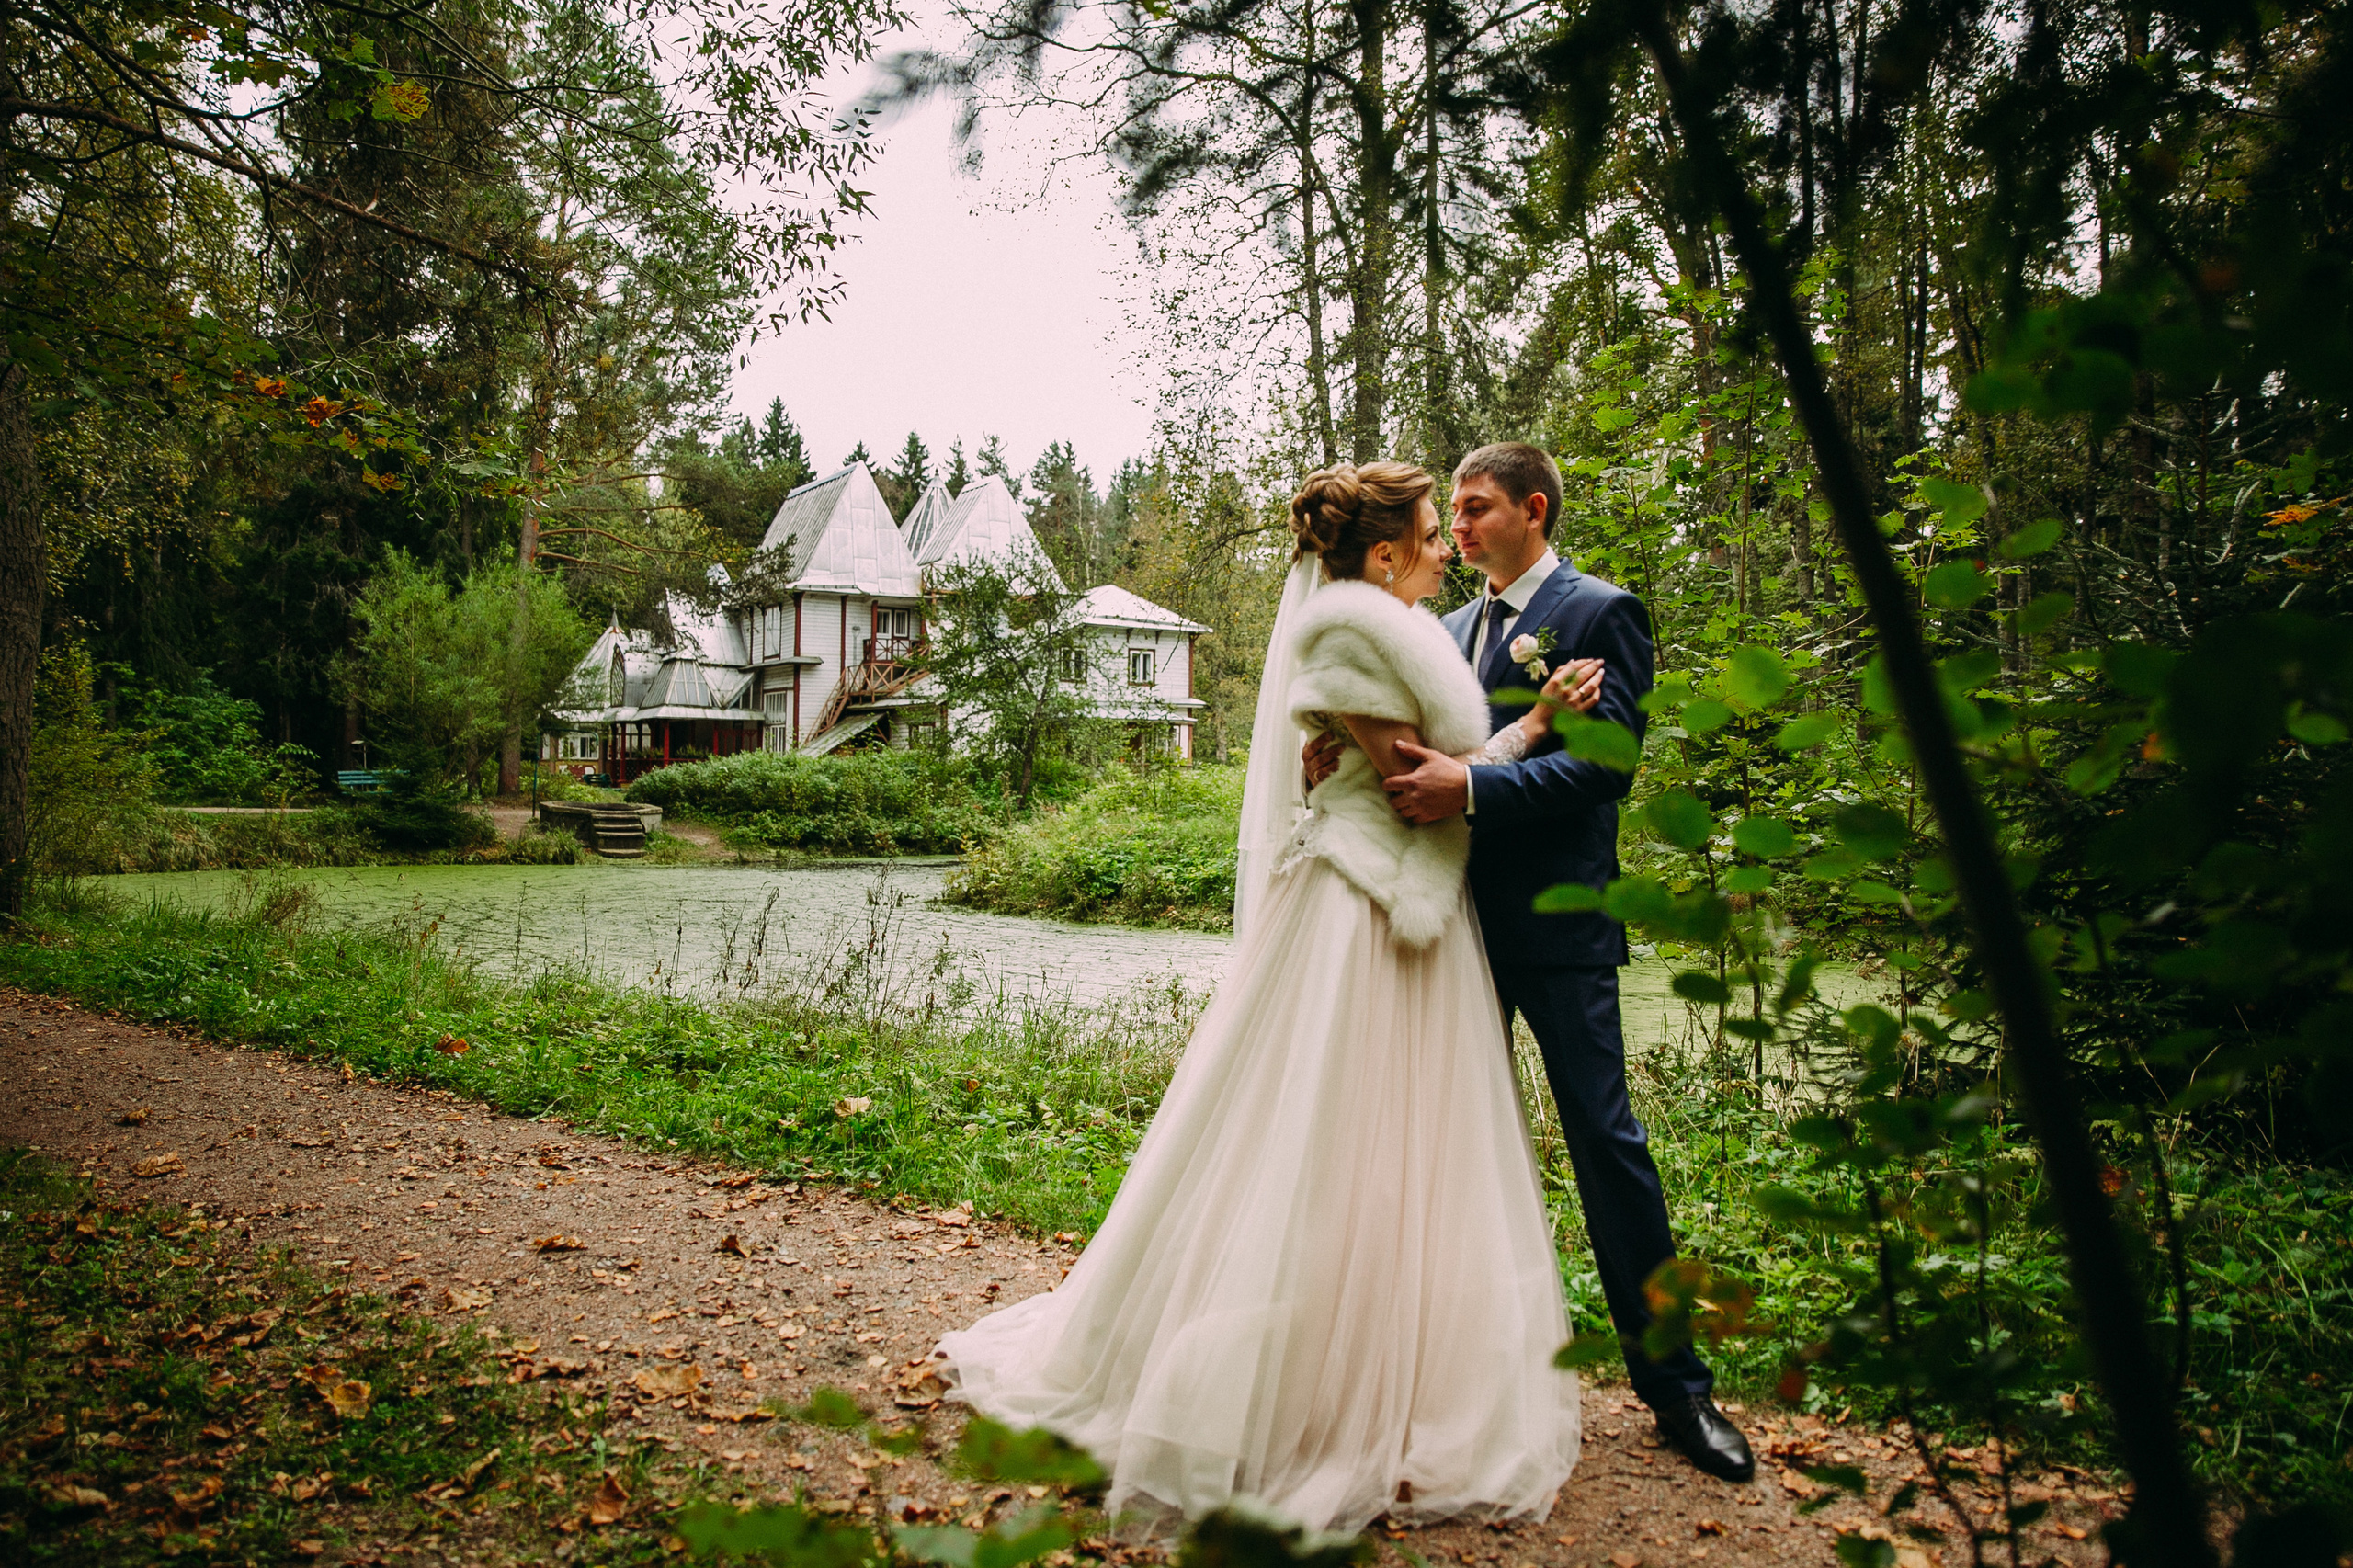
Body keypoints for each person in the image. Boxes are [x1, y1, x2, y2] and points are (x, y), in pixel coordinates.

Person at [933, 460, 1604, 1535]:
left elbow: (1403, 762)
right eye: (1432, 531)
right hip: (1362, 909)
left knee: (1401, 1148)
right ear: (1382, 552)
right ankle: (1305, 1385)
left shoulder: (1403, 631)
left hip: (1408, 906)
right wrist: (1538, 725)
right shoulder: (1349, 638)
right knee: (1323, 1135)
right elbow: (1420, 785)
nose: (1444, 546)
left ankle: (1396, 1353)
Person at [1361, 441, 1756, 1483]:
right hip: (1449, 924)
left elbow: (1602, 767)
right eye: (1452, 507)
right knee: (1437, 1141)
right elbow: (1417, 750)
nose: (1458, 523)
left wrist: (1476, 792)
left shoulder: (1597, 612)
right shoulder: (1439, 627)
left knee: (1605, 1142)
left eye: (1477, 505)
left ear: (1533, 509)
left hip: (1559, 927)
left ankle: (1677, 1389)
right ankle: (1434, 1372)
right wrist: (1347, 748)